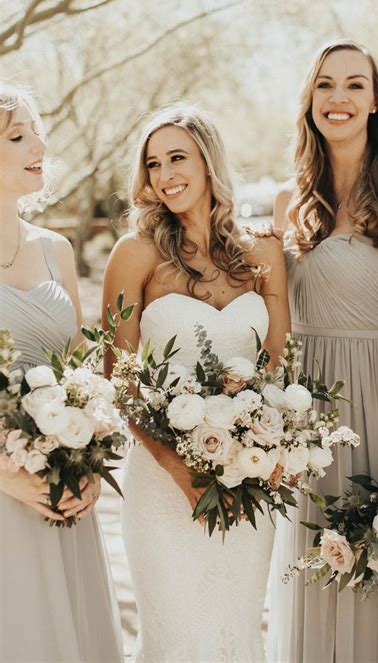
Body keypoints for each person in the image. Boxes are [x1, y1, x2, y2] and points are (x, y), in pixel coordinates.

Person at [267, 39, 378, 663]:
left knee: (377, 578)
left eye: (353, 85)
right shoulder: (290, 203)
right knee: (316, 572)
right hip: (309, 417)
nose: (337, 97)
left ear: (376, 103)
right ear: (309, 101)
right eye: (324, 85)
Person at [102, 102, 290, 662]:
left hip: (249, 481)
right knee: (174, 634)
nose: (165, 175)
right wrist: (179, 468)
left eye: (177, 157)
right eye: (153, 164)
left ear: (209, 163)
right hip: (162, 483)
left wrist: (265, 453)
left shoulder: (265, 253)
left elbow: (279, 365)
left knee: (237, 627)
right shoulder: (133, 255)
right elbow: (119, 377)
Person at [0, 83, 123, 662]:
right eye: (18, 135)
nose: (38, 145)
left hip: (60, 480)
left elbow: (80, 371)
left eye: (37, 131)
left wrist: (91, 463)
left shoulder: (57, 250)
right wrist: (6, 475)